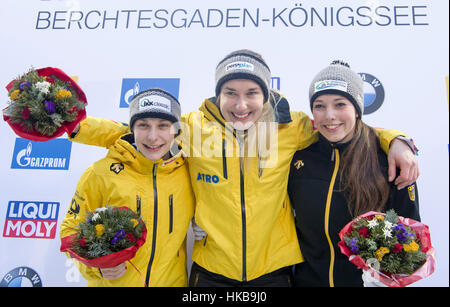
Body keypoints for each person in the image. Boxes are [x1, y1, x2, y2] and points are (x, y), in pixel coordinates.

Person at [66, 50, 418, 286]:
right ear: (218, 94)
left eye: (251, 92)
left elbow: (343, 127)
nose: (240, 104)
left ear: (265, 95)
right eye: (230, 92)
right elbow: (139, 131)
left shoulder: (290, 128)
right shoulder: (193, 128)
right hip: (212, 271)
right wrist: (75, 127)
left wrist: (396, 139)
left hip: (275, 270)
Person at [287, 61, 421, 287]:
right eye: (319, 106)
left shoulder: (388, 160)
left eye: (340, 104)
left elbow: (411, 237)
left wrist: (388, 276)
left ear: (357, 109)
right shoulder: (299, 157)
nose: (329, 115)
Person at [60, 89, 195, 287]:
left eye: (163, 126)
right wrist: (96, 269)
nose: (152, 136)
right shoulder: (101, 173)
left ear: (176, 130)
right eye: (143, 125)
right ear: (131, 129)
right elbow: (70, 231)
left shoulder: (187, 172)